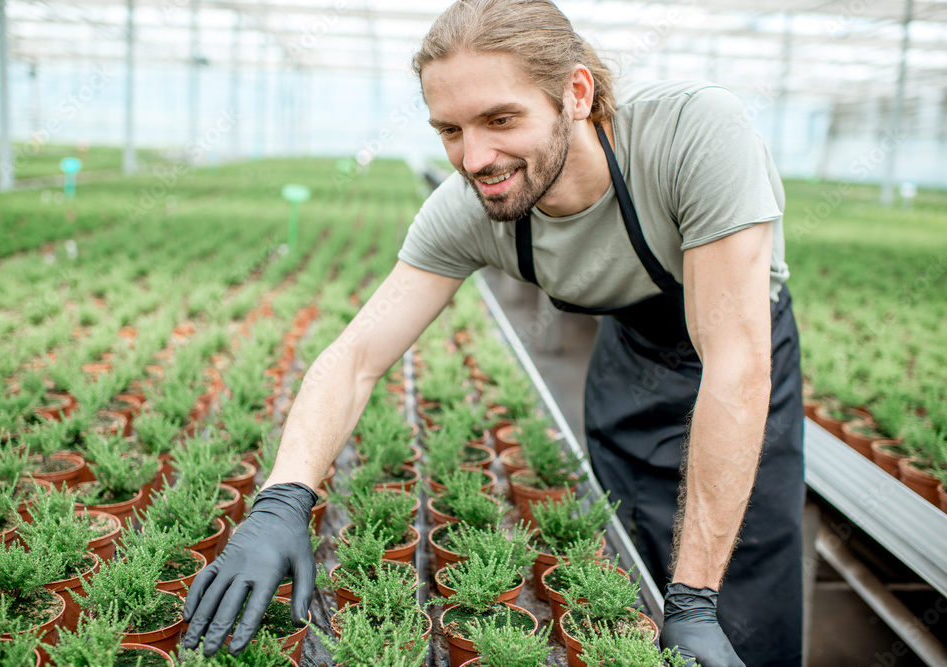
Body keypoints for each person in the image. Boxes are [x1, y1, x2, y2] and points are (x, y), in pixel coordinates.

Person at [181, 1, 805, 665]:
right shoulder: (470, 209)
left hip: (739, 356)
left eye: (501, 119)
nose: (475, 156)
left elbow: (735, 362)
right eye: (449, 129)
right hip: (630, 362)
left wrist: (696, 598)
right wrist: (282, 498)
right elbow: (356, 356)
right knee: (625, 567)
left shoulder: (692, 133)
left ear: (576, 93)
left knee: (740, 605)